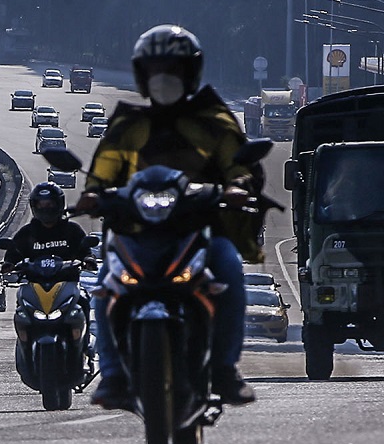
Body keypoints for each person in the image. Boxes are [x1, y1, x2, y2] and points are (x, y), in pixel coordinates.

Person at [74, 24, 259, 409]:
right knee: (105, 286)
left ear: (190, 72)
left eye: (173, 69)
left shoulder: (215, 120)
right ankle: (111, 375)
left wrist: (237, 186)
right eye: (156, 69)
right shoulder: (129, 124)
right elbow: (105, 168)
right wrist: (94, 194)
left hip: (198, 230)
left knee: (230, 268)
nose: (164, 79)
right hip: (136, 231)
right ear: (142, 74)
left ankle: (225, 369)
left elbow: (237, 163)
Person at [1, 181, 94, 330]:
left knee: (83, 299)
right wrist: (8, 263)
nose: (46, 208)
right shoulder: (27, 232)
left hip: (67, 284)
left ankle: (84, 343)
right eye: (41, 205)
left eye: (50, 204)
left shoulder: (72, 230)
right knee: (21, 306)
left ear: (59, 204)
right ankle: (25, 344)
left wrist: (88, 259)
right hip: (34, 286)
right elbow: (14, 251)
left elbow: (85, 250)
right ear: (34, 206)